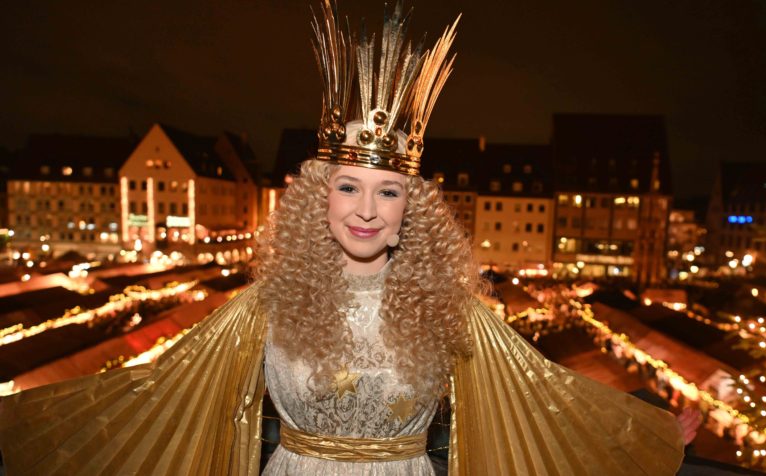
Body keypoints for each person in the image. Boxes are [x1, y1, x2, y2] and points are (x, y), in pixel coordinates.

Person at [0, 1, 689, 474]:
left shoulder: (453, 313)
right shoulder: (262, 306)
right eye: (348, 186)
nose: (367, 209)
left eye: (388, 190)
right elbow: (157, 393)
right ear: (316, 198)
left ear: (410, 207)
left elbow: (542, 397)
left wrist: (652, 435)